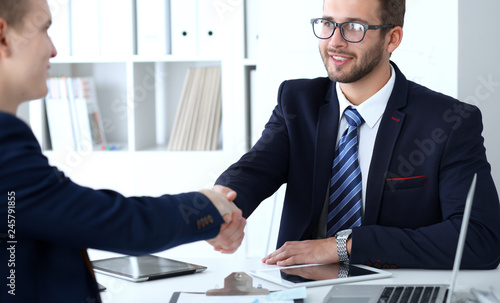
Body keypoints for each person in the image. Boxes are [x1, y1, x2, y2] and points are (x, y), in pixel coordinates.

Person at [214, 0, 500, 270]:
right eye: (328, 23)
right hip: (300, 287)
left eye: (354, 27)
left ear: (392, 39)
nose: (335, 41)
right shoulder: (298, 101)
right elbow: (254, 171)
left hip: (396, 286)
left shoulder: (447, 121)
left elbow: (480, 239)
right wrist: (219, 208)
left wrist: (343, 246)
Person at [0, 0, 246, 301]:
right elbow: (112, 222)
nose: (53, 50)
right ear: (3, 37)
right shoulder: (4, 139)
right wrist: (206, 206)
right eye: (44, 30)